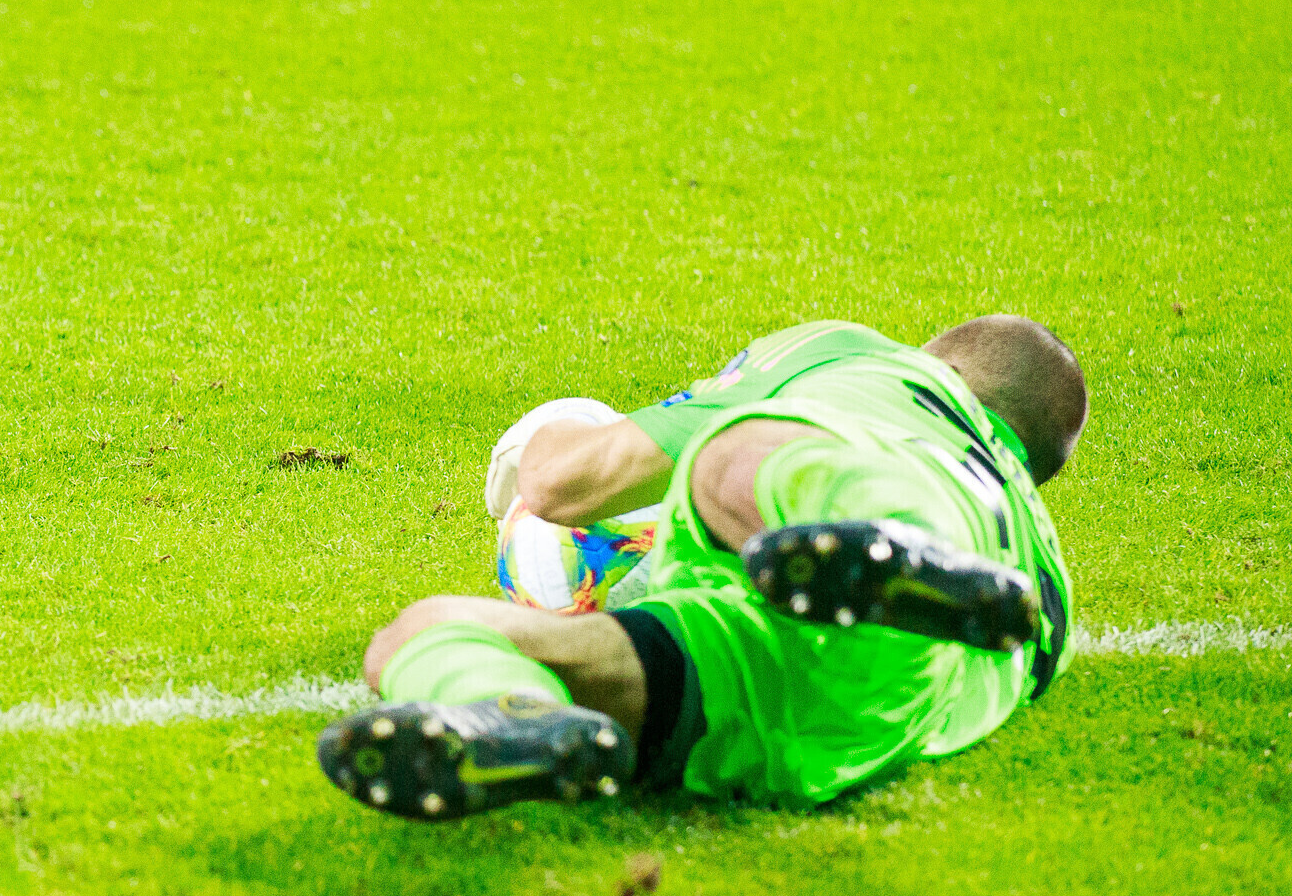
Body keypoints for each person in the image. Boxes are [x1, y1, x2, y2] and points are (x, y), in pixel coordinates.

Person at [318, 315, 1082, 818]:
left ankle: (492, 695)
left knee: (725, 459)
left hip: (814, 641)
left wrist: (542, 434)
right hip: (880, 708)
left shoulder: (861, 360)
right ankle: (519, 721)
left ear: (942, 359)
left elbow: (566, 484)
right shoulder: (1042, 573)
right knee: (419, 630)